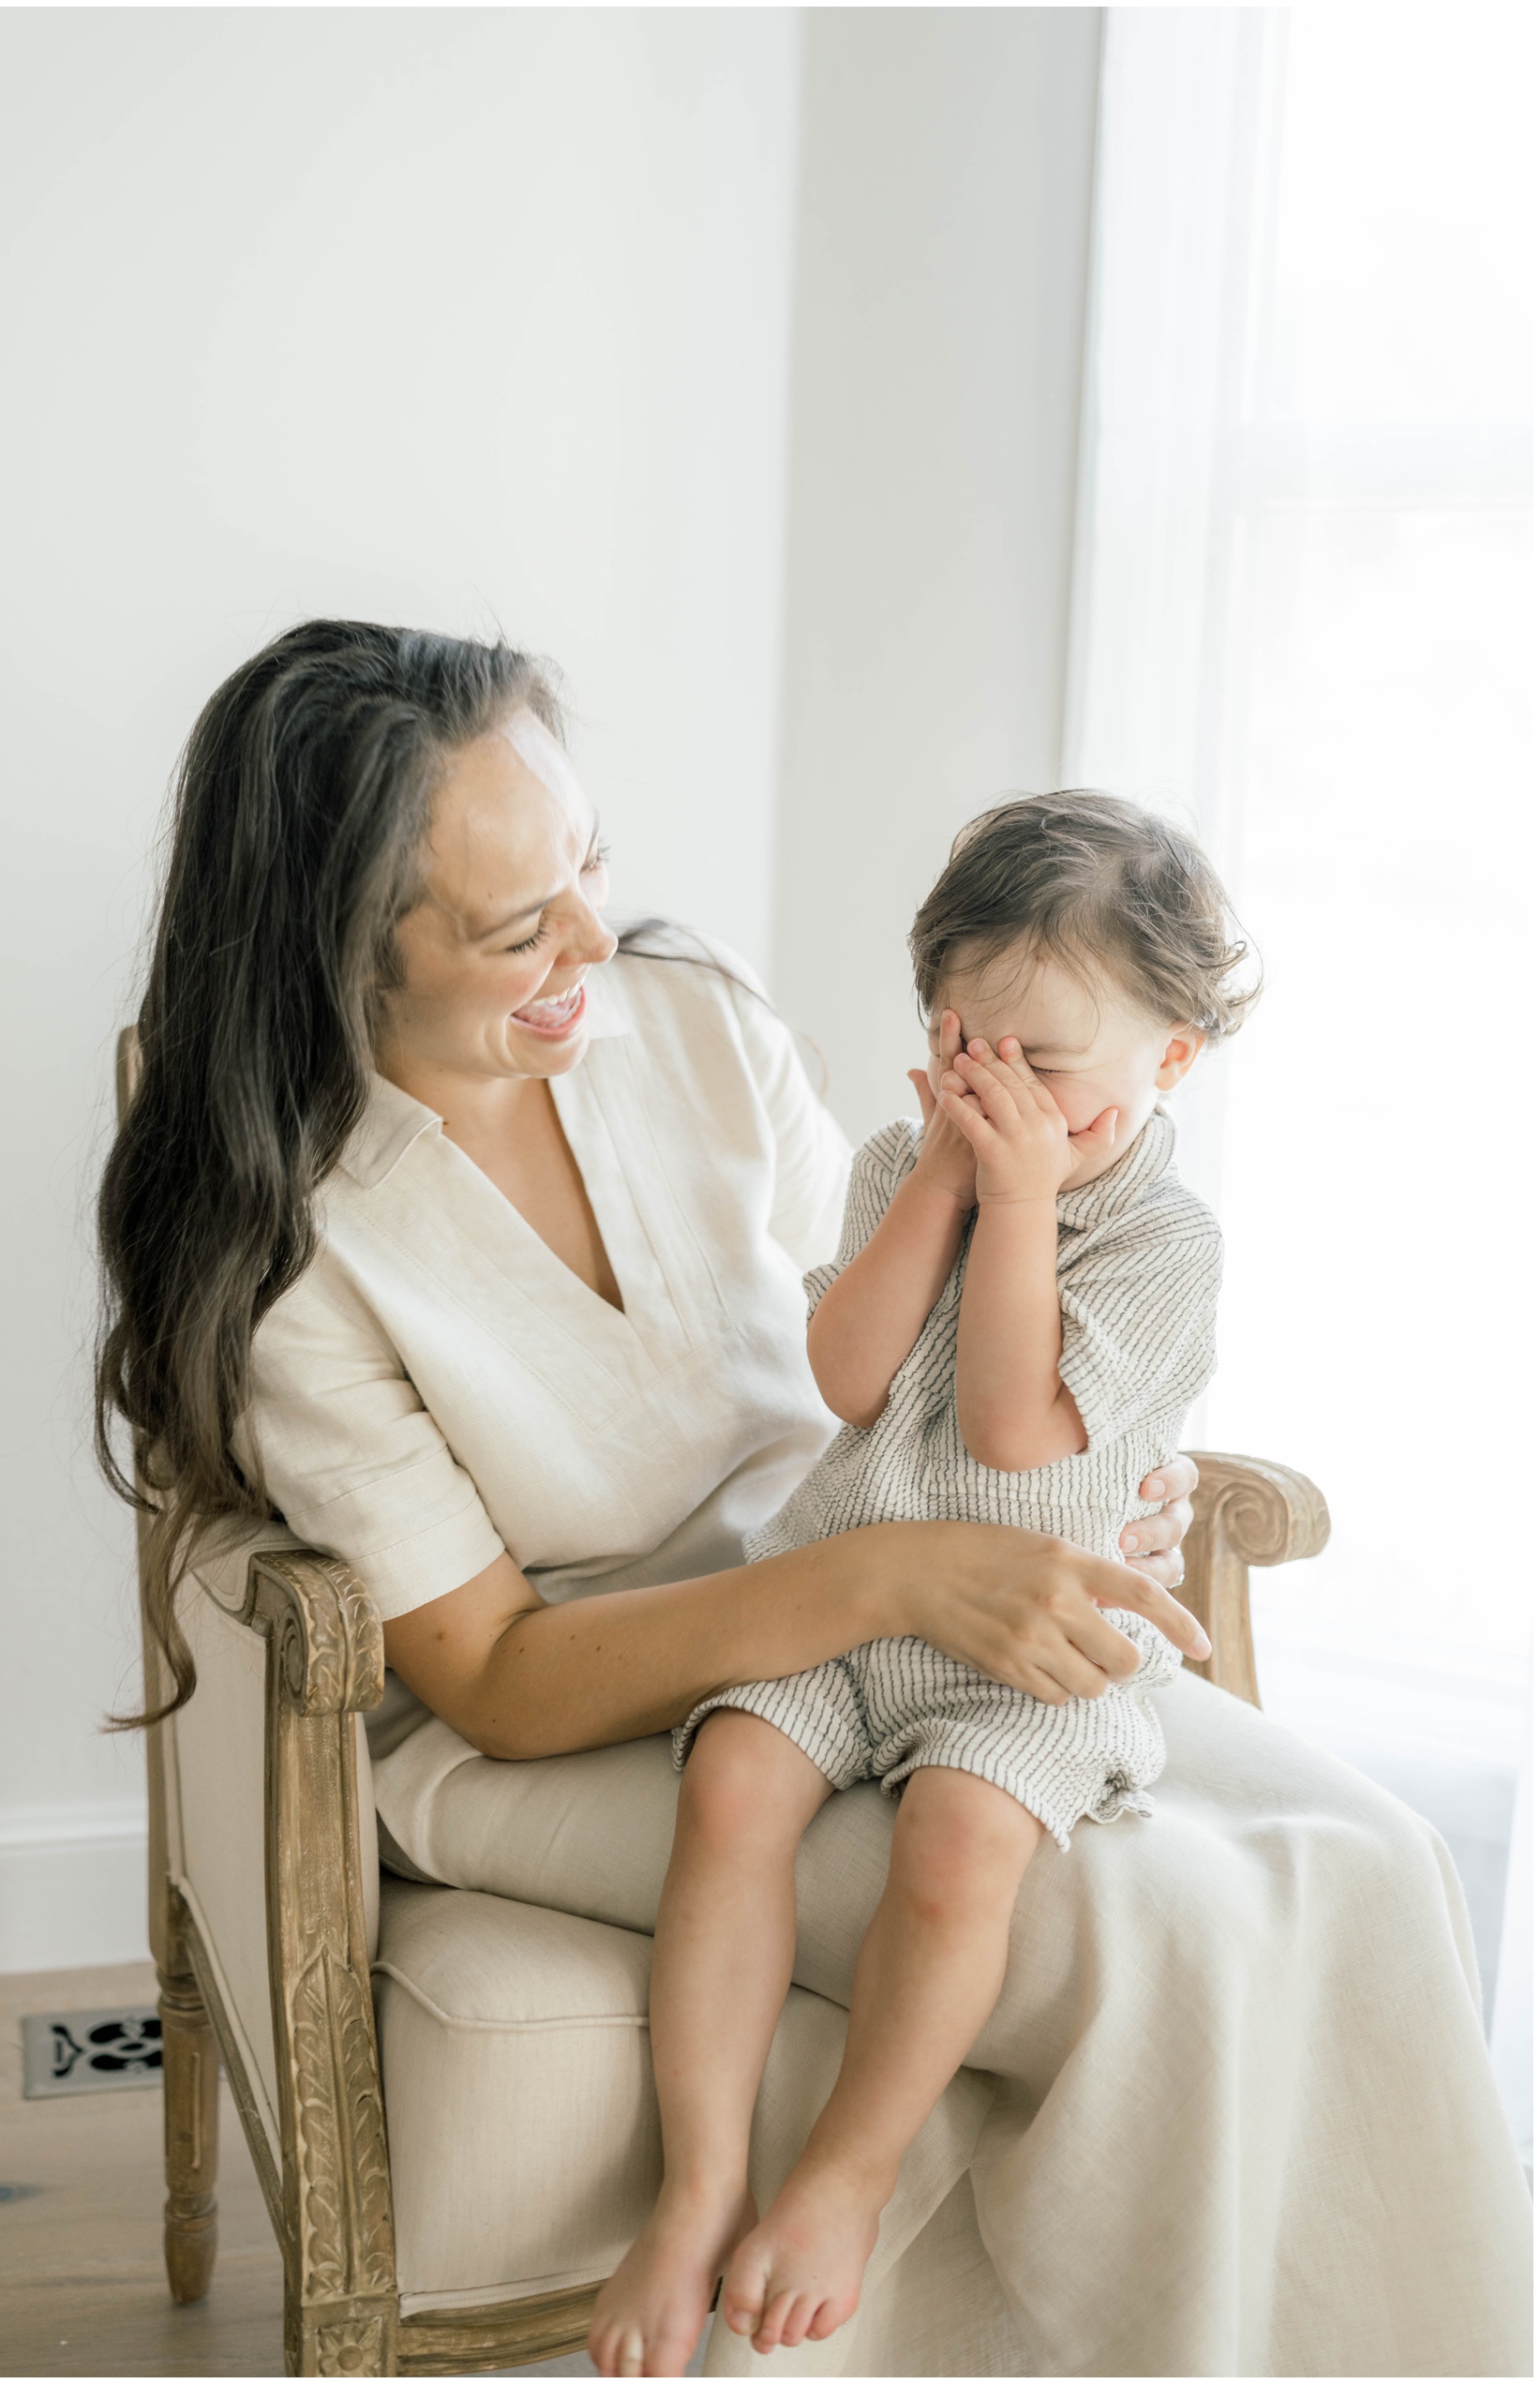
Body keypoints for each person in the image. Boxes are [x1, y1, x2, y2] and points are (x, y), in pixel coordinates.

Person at [97, 622, 1532, 2380]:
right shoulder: (299, 1248)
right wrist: (903, 1577)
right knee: (1147, 1932)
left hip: (896, 1574)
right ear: (341, 958)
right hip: (591, 1704)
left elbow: (897, 1337)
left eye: (590, 868)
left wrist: (1081, 1485)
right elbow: (500, 1674)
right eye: (510, 926)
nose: (592, 946)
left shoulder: (686, 1022)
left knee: (1369, 1859)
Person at [591, 797, 1240, 2376]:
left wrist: (1015, 1202)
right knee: (732, 1779)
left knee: (959, 1841)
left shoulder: (1164, 1239)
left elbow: (1018, 1439)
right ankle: (697, 2187)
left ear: (1171, 1059)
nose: (995, 1088)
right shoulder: (905, 1159)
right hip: (851, 1594)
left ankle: (845, 2171)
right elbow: (850, 1377)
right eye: (966, 1039)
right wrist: (943, 1186)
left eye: (1047, 1064)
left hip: (1025, 1644)